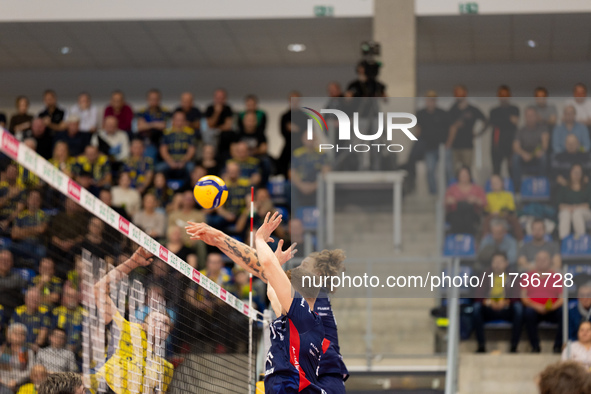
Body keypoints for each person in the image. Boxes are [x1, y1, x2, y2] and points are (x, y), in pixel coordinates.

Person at [186, 213, 326, 393]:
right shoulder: (292, 315)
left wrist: (259, 238)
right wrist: (220, 240)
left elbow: (266, 264)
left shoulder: (303, 314)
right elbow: (266, 275)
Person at [92, 247, 174, 393]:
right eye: (155, 320)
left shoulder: (166, 368)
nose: (161, 325)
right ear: (143, 325)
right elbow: (100, 289)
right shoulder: (128, 330)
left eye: (165, 324)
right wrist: (132, 263)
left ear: (168, 333)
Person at [472, 252, 523, 353]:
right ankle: (481, 345)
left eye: (500, 262)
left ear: (506, 263)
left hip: (506, 309)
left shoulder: (513, 276)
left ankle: (514, 346)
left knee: (519, 308)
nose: (497, 264)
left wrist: (505, 302)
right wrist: (489, 302)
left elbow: (517, 295)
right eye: (495, 262)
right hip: (489, 309)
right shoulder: (485, 275)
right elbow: (478, 295)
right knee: (476, 307)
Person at [402, 91, 450, 195]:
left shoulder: (442, 113)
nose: (430, 102)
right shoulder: (421, 113)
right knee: (430, 170)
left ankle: (450, 192)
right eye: (429, 100)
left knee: (447, 169)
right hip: (428, 148)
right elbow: (418, 129)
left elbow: (450, 128)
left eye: (432, 100)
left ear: (435, 101)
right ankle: (433, 193)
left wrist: (448, 143)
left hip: (442, 146)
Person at [521, 250, 563, 353]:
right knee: (528, 313)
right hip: (534, 309)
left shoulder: (557, 276)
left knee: (564, 313)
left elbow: (562, 298)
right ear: (535, 261)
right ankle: (535, 346)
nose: (542, 262)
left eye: (545, 259)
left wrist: (552, 307)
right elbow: (524, 297)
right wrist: (537, 307)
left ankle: (558, 346)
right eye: (539, 259)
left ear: (550, 261)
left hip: (553, 309)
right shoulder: (528, 275)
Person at [446, 85, 487, 170]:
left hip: (468, 145)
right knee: (454, 171)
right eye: (456, 93)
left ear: (465, 94)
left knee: (467, 171)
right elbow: (450, 127)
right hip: (455, 147)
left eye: (460, 93)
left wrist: (478, 133)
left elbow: (486, 121)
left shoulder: (473, 109)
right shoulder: (452, 110)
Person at [512, 106, 549, 192]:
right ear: (525, 117)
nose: (530, 118)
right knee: (515, 158)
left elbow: (545, 145)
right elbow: (516, 147)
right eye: (528, 116)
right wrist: (523, 154)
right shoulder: (520, 130)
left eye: (532, 115)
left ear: (536, 116)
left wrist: (539, 152)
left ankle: (541, 186)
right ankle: (518, 188)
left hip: (537, 155)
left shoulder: (543, 129)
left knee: (544, 157)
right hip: (524, 156)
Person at [206, 161, 250, 232]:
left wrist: (243, 215)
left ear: (239, 172)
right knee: (212, 220)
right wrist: (226, 215)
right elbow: (218, 207)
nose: (233, 173)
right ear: (226, 172)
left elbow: (250, 204)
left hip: (241, 214)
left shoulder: (245, 184)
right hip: (226, 215)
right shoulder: (222, 186)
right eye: (231, 171)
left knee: (251, 219)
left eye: (235, 171)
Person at [292, 132, 331, 207]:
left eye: (311, 137)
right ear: (302, 139)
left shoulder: (322, 154)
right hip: (301, 184)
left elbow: (326, 171)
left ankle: (322, 213)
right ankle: (296, 215)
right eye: (307, 137)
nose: (309, 140)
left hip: (317, 184)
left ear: (315, 139)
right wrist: (301, 185)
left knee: (326, 187)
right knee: (290, 187)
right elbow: (292, 172)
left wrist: (315, 185)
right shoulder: (297, 153)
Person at [444, 166, 487, 235]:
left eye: (466, 175)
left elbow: (484, 203)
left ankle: (469, 239)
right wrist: (449, 201)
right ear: (458, 176)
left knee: (468, 216)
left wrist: (476, 200)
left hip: (472, 215)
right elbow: (445, 203)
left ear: (469, 176)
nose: (464, 177)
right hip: (455, 215)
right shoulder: (452, 189)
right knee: (457, 217)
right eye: (462, 175)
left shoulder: (477, 188)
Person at [489, 85, 520, 175]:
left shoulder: (514, 109)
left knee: (512, 169)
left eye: (505, 94)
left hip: (511, 143)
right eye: (501, 95)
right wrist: (508, 118)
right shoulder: (493, 111)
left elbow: (515, 121)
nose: (503, 97)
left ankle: (513, 189)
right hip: (497, 143)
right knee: (496, 169)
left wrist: (502, 119)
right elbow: (493, 122)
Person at [11, 189, 48, 263]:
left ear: (40, 202)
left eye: (37, 199)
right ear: (28, 200)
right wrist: (34, 230)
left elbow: (41, 230)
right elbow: (14, 234)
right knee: (7, 247)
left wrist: (22, 230)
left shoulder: (43, 215)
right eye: (32, 198)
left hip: (37, 244)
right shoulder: (20, 215)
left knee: (41, 252)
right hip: (23, 243)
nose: (34, 201)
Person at [482, 174, 523, 240]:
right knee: (486, 220)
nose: (495, 184)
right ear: (491, 185)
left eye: (497, 182)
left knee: (515, 220)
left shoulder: (508, 195)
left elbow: (511, 209)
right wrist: (493, 213)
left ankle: (521, 241)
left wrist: (503, 211)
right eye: (493, 183)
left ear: (502, 183)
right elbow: (485, 210)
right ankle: (485, 240)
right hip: (492, 215)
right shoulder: (488, 196)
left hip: (505, 215)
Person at [556, 164, 591, 239]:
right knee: (565, 214)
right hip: (567, 210)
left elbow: (588, 205)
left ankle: (581, 240)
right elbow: (559, 204)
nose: (576, 175)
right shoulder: (564, 187)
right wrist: (571, 208)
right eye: (575, 172)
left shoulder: (587, 187)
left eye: (579, 173)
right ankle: (564, 241)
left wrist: (575, 207)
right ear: (570, 173)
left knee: (576, 213)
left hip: (585, 212)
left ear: (582, 174)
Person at [157, 110, 196, 177]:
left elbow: (191, 150)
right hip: (169, 161)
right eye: (177, 120)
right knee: (158, 168)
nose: (179, 122)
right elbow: (163, 150)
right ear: (173, 120)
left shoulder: (190, 132)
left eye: (181, 120)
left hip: (185, 161)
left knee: (192, 168)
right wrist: (170, 162)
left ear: (185, 121)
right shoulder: (167, 133)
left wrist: (183, 161)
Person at [278, 91, 308, 177]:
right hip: (289, 147)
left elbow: (309, 133)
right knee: (283, 165)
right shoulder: (285, 116)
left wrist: (297, 129)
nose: (294, 101)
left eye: (296, 99)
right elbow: (282, 132)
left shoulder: (305, 116)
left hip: (302, 147)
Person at [50, 285, 83, 358]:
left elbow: (86, 335)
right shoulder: (56, 312)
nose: (71, 299)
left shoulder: (84, 315)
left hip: (77, 353)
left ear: (78, 299)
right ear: (64, 298)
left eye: (74, 297)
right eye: (69, 296)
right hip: (57, 351)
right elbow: (51, 332)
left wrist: (76, 347)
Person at [0, 323, 35, 392]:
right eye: (15, 333)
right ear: (9, 335)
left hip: (20, 384)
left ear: (25, 337)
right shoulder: (3, 349)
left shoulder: (27, 352)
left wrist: (15, 381)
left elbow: (29, 371)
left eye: (22, 334)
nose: (19, 336)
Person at [205, 89, 235, 156]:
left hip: (223, 134)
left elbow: (228, 126)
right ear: (214, 98)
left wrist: (216, 129)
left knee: (229, 135)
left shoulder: (227, 109)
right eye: (218, 98)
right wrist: (217, 113)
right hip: (210, 134)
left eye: (222, 98)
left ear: (225, 99)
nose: (219, 100)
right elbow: (208, 125)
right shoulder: (209, 108)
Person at [0, 250, 27, 318]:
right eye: (2, 259)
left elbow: (24, 285)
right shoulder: (16, 279)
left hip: (11, 312)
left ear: (12, 263)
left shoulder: (17, 277)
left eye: (7, 260)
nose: (4, 262)